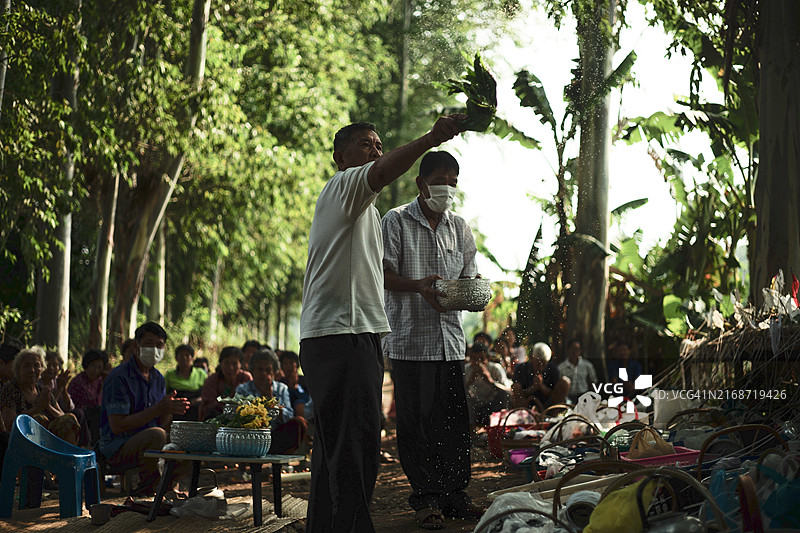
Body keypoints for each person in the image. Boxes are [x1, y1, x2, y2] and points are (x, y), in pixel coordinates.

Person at [299, 115, 465, 533]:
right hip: (342, 335)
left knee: (336, 449)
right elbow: (383, 171)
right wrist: (431, 137)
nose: (375, 151)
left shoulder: (365, 213)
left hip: (352, 335)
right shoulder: (345, 186)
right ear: (340, 158)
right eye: (364, 144)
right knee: (356, 449)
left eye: (378, 144)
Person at [381, 149, 483, 527]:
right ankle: (425, 499)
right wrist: (418, 287)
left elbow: (470, 279)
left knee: (454, 422)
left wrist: (469, 293)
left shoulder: (460, 228)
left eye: (452, 183)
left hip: (451, 342)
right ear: (421, 183)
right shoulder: (396, 222)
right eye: (440, 181)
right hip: (411, 342)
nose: (446, 189)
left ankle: (454, 493)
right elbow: (382, 275)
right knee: (416, 423)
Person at [98, 322, 190, 497]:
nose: (154, 349)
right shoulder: (119, 377)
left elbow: (160, 422)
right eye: (148, 344)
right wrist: (158, 409)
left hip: (150, 440)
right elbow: (117, 426)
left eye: (159, 345)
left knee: (189, 444)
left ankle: (164, 487)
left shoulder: (158, 378)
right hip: (117, 447)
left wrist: (168, 410)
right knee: (156, 435)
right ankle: (147, 490)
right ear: (135, 346)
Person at [0, 346, 80, 444]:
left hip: (48, 439)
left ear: (42, 369)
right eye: (27, 366)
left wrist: (48, 406)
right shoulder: (11, 389)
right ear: (18, 369)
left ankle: (68, 457)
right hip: (21, 439)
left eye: (37, 365)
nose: (32, 370)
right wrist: (37, 409)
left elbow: (63, 416)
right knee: (38, 420)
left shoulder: (42, 390)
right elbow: (9, 423)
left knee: (70, 418)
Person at [236, 349, 304, 454]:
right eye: (260, 369)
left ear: (274, 372)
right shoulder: (243, 389)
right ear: (252, 371)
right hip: (251, 435)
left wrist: (270, 399)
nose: (264, 373)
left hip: (276, 435)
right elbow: (240, 416)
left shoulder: (281, 389)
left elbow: (289, 415)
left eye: (268, 370)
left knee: (297, 423)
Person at [511, 342, 569, 411]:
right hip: (526, 405)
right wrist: (533, 388)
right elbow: (518, 392)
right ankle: (521, 413)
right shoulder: (522, 369)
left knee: (565, 382)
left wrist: (542, 387)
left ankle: (553, 414)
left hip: (548, 406)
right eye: (538, 364)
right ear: (532, 359)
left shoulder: (553, 369)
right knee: (516, 386)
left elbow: (555, 394)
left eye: (544, 364)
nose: (541, 368)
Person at [199, 346, 252, 420]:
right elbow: (208, 405)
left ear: (240, 364)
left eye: (234, 364)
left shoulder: (246, 378)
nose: (230, 367)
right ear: (220, 364)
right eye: (226, 363)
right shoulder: (212, 380)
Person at [464, 342, 511, 427]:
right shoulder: (466, 369)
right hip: (474, 407)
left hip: (492, 406)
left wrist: (491, 381)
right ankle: (471, 428)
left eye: (481, 359)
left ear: (488, 358)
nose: (478, 363)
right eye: (474, 359)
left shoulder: (495, 368)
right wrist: (470, 381)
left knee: (504, 394)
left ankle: (500, 426)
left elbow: (508, 390)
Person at [67, 349, 108, 445]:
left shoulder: (99, 381)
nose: (96, 370)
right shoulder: (79, 381)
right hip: (80, 414)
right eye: (93, 366)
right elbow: (93, 402)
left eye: (99, 367)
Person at [165, 344, 206, 421]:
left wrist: (198, 400)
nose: (184, 358)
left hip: (196, 408)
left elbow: (207, 394)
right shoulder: (169, 375)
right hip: (175, 409)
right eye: (181, 355)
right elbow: (164, 394)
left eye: (187, 355)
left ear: (192, 358)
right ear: (176, 358)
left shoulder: (201, 374)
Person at [557, 338, 599, 404]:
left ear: (580, 351)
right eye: (572, 349)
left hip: (584, 395)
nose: (575, 352)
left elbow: (593, 381)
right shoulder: (561, 367)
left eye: (577, 349)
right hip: (568, 397)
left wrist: (591, 396)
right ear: (568, 350)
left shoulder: (588, 365)